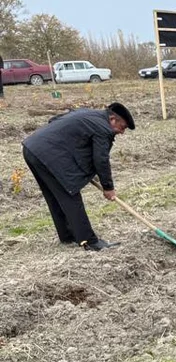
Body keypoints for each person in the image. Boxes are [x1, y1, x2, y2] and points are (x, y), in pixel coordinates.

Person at [21, 102, 135, 251]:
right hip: (49, 155)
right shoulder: (104, 128)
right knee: (70, 195)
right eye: (122, 127)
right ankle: (90, 242)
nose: (122, 132)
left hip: (32, 148)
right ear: (113, 119)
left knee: (55, 197)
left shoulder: (87, 114)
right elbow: (100, 159)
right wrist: (108, 187)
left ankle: (67, 236)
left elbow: (55, 121)